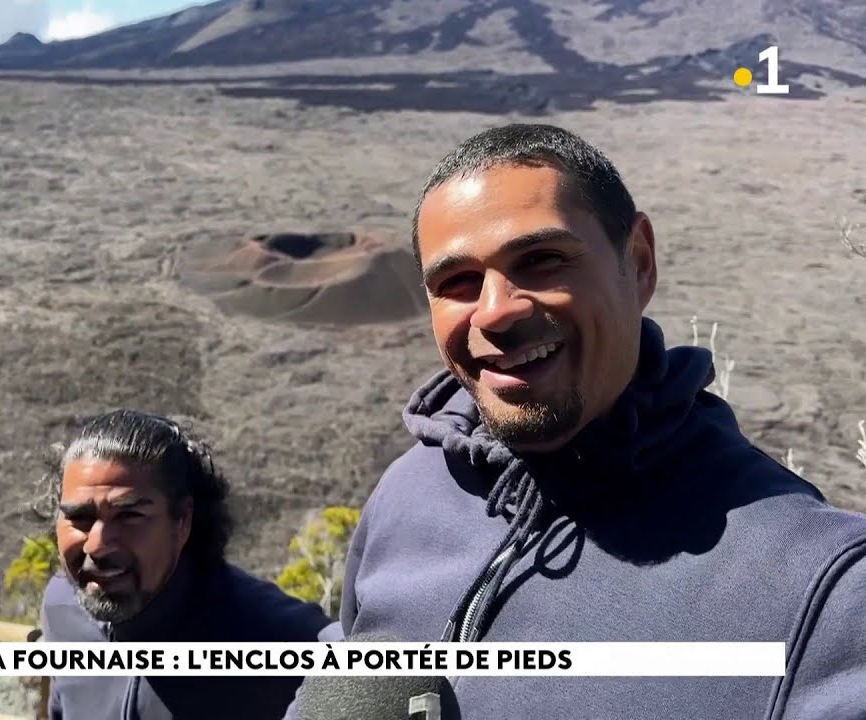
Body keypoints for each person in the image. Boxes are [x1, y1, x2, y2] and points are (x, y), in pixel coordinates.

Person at [298, 124, 866, 719]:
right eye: (457, 282)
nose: (495, 312)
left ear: (639, 264)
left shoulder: (817, 590)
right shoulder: (408, 496)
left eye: (542, 260)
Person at [38, 409, 342, 720]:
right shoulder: (62, 606)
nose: (97, 545)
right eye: (80, 518)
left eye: (129, 516)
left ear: (182, 520)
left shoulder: (277, 633)